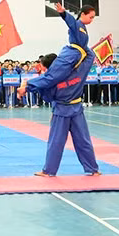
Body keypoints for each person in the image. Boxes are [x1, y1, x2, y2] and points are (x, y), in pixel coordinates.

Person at [18, 44, 100, 177]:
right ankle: (93, 169)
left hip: (61, 111)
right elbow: (90, 55)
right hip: (77, 109)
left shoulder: (50, 79)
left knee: (56, 141)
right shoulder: (79, 70)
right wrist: (80, 43)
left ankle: (49, 171)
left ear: (49, 68)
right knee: (83, 140)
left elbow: (47, 94)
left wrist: (25, 87)